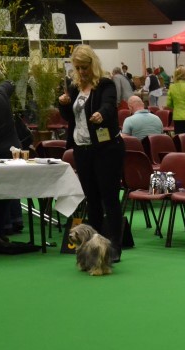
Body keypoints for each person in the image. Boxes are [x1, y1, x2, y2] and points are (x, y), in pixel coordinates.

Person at [58, 44, 125, 263]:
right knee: (92, 200)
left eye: (84, 67)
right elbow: (71, 118)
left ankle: (114, 248)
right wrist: (64, 105)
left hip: (106, 149)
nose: (81, 72)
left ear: (92, 65)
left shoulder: (105, 84)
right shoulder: (74, 87)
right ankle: (94, 248)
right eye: (77, 68)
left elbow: (109, 105)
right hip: (82, 149)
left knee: (109, 199)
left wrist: (100, 115)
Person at [0, 81, 22, 249]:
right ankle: (1, 231)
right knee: (6, 193)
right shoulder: (1, 93)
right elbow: (9, 85)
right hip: (12, 151)